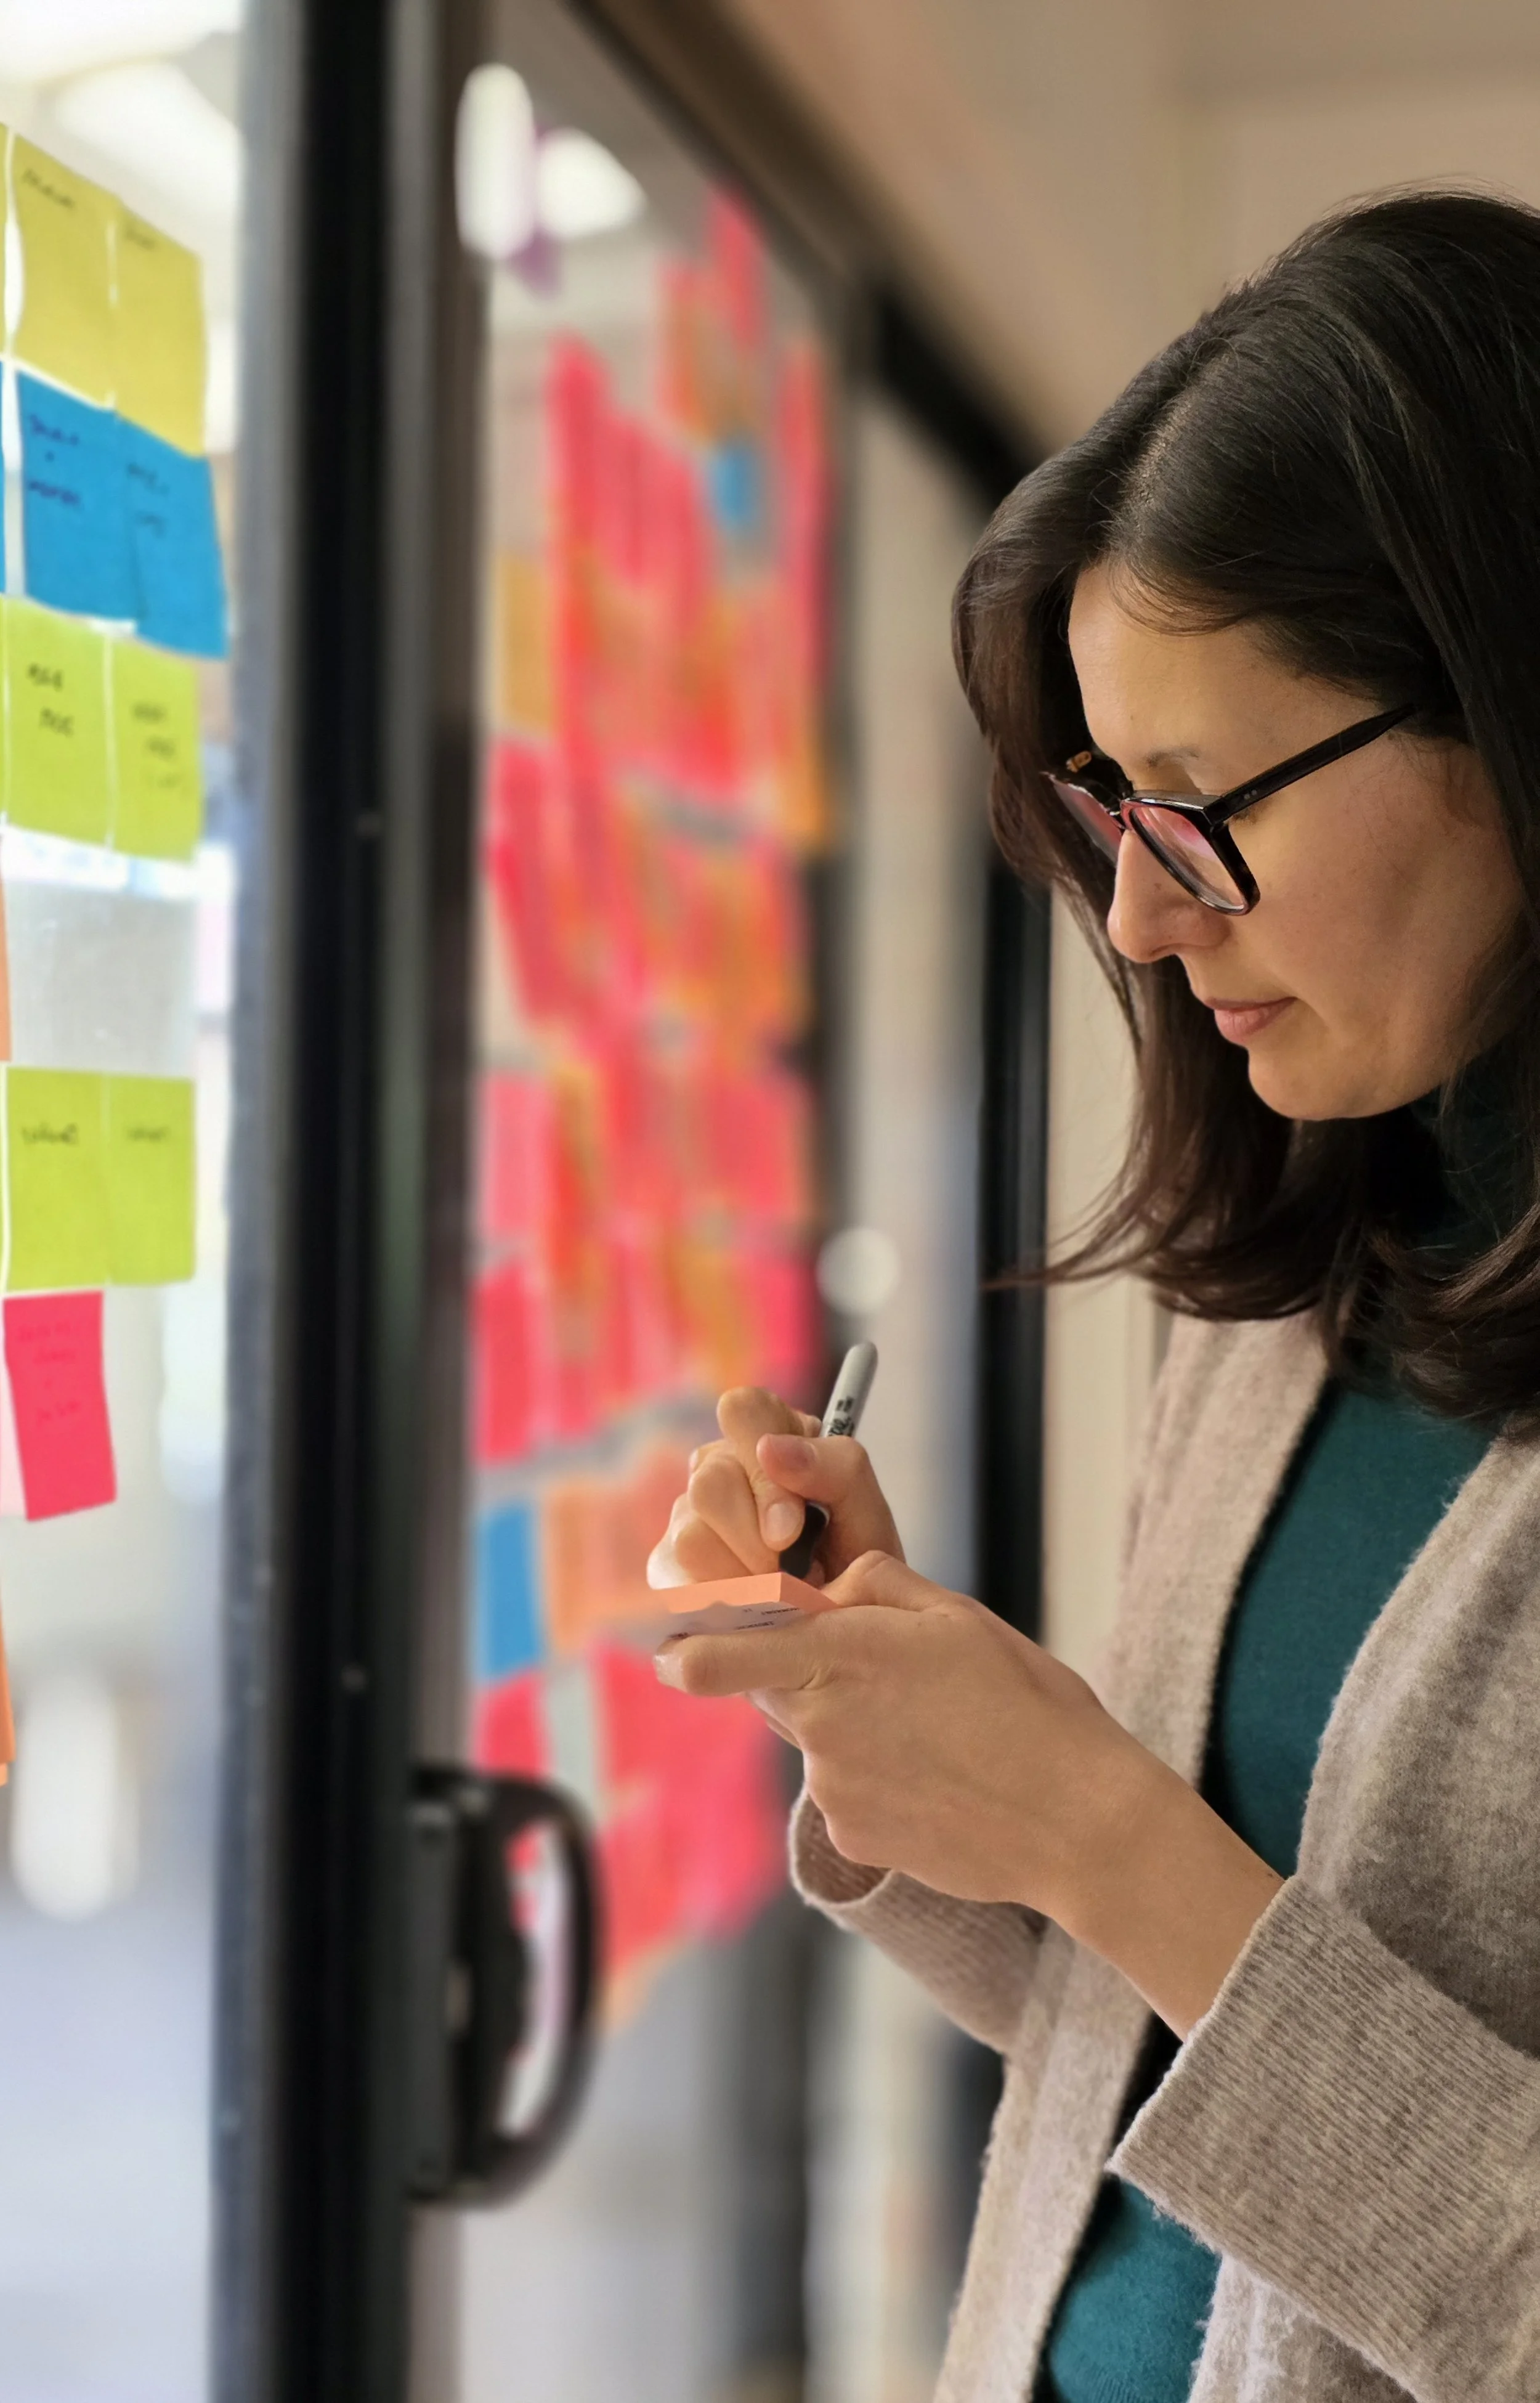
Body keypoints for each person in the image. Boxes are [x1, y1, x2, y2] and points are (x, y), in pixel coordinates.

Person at [646, 189, 1540, 2403]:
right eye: (1106, 807)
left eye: (1199, 800)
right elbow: (1180, 2065)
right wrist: (910, 1731)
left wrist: (1097, 1827)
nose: (1136, 922)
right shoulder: (1293, 1282)